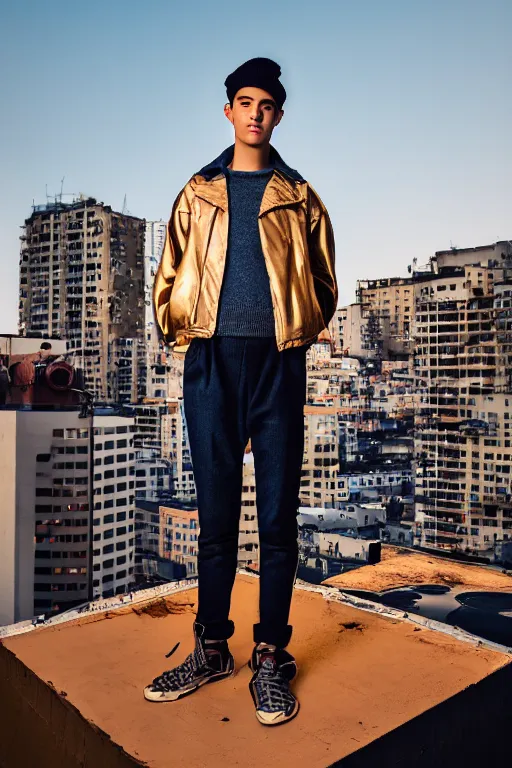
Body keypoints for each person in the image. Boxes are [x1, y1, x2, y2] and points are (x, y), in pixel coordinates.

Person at [145, 57, 338, 726]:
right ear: (229, 110)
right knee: (216, 517)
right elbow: (168, 272)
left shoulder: (300, 194)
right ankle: (211, 648)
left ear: (278, 116)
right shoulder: (198, 193)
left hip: (279, 365)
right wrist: (189, 334)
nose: (255, 113)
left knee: (278, 519)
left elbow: (324, 280)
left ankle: (270, 658)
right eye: (245, 102)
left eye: (267, 105)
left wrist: (297, 334)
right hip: (211, 364)